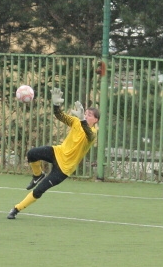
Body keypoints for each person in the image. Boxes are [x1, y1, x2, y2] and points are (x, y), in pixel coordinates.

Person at [7, 87, 99, 219]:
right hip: (58, 152)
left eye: (89, 115)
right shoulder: (76, 122)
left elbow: (88, 134)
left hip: (64, 168)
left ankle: (16, 209)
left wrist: (83, 121)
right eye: (86, 113)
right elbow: (60, 116)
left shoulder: (93, 133)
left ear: (95, 120)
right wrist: (56, 105)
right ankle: (37, 175)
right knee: (32, 153)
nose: (86, 115)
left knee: (39, 190)